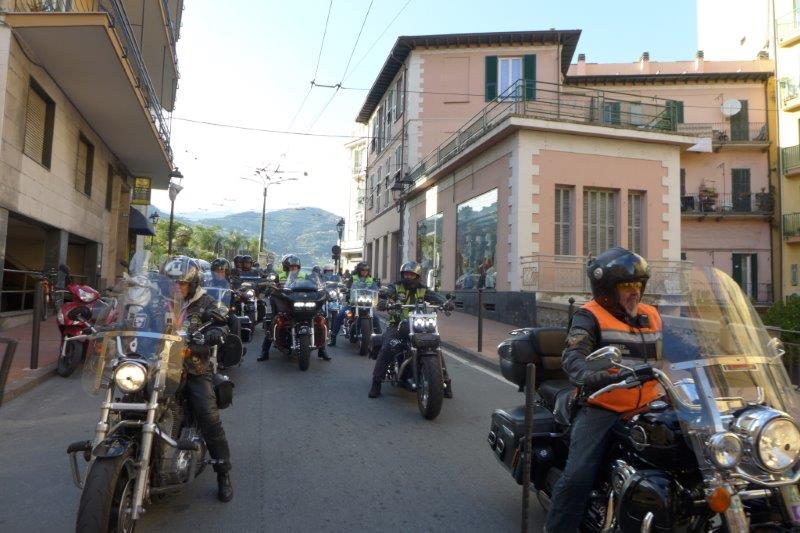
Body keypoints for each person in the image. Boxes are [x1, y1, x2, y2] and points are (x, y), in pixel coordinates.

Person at [544, 247, 662, 532]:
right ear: (607, 291)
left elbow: (686, 350)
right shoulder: (589, 316)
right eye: (626, 286)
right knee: (577, 477)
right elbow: (574, 355)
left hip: (650, 405)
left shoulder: (652, 314)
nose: (634, 292)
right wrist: (588, 375)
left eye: (638, 285)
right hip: (603, 406)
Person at [161, 256, 234, 503]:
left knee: (208, 416)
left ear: (192, 284)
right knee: (131, 397)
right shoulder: (156, 302)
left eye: (181, 283)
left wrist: (210, 336)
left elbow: (222, 326)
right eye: (172, 283)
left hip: (193, 367)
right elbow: (134, 320)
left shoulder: (205, 302)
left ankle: (223, 472)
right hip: (157, 367)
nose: (176, 287)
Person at [368, 261, 453, 398]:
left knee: (436, 347)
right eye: (406, 274)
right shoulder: (396, 287)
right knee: (388, 347)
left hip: (419, 324)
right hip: (397, 324)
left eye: (411, 275)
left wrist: (445, 303)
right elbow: (387, 292)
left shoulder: (423, 289)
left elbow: (435, 296)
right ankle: (376, 382)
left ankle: (446, 382)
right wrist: (384, 301)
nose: (408, 277)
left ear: (417, 276)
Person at [329, 261, 381, 347]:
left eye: (366, 270)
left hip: (367, 305)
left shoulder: (372, 280)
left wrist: (380, 291)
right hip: (353, 304)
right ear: (359, 270)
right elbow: (347, 286)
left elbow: (376, 288)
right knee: (339, 315)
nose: (364, 272)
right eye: (362, 270)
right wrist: (345, 289)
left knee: (376, 318)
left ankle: (380, 341)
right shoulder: (353, 278)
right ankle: (333, 338)